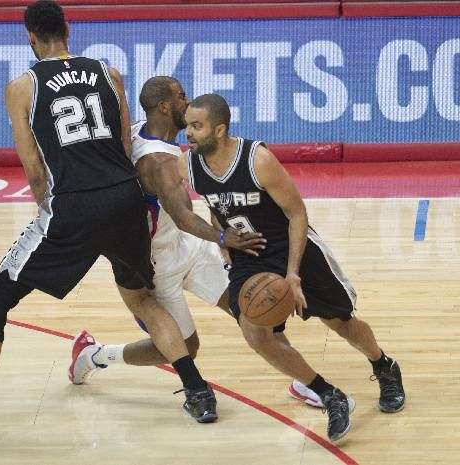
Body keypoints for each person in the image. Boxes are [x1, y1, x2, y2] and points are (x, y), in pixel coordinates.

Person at [0, 3, 232, 444]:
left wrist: (51, 212)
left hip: (74, 205)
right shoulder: (108, 72)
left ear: (30, 36)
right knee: (141, 297)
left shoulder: (22, 86)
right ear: (68, 30)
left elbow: (33, 166)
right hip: (124, 201)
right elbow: (122, 143)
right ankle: (197, 391)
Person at [69, 76, 324, 410]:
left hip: (188, 246)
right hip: (157, 265)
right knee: (184, 348)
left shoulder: (134, 130)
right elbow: (186, 214)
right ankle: (94, 356)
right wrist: (222, 237)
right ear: (164, 106)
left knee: (253, 305)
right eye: (181, 97)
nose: (186, 103)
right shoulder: (158, 161)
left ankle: (303, 380)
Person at [176, 93, 405, 443]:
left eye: (196, 126)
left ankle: (383, 365)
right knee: (254, 331)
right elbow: (215, 205)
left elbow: (297, 213)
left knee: (340, 322)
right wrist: (223, 243)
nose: (188, 133)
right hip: (247, 255)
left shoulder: (258, 160)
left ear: (219, 129)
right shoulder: (190, 165)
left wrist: (293, 274)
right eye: (188, 125)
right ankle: (329, 394)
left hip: (291, 248)